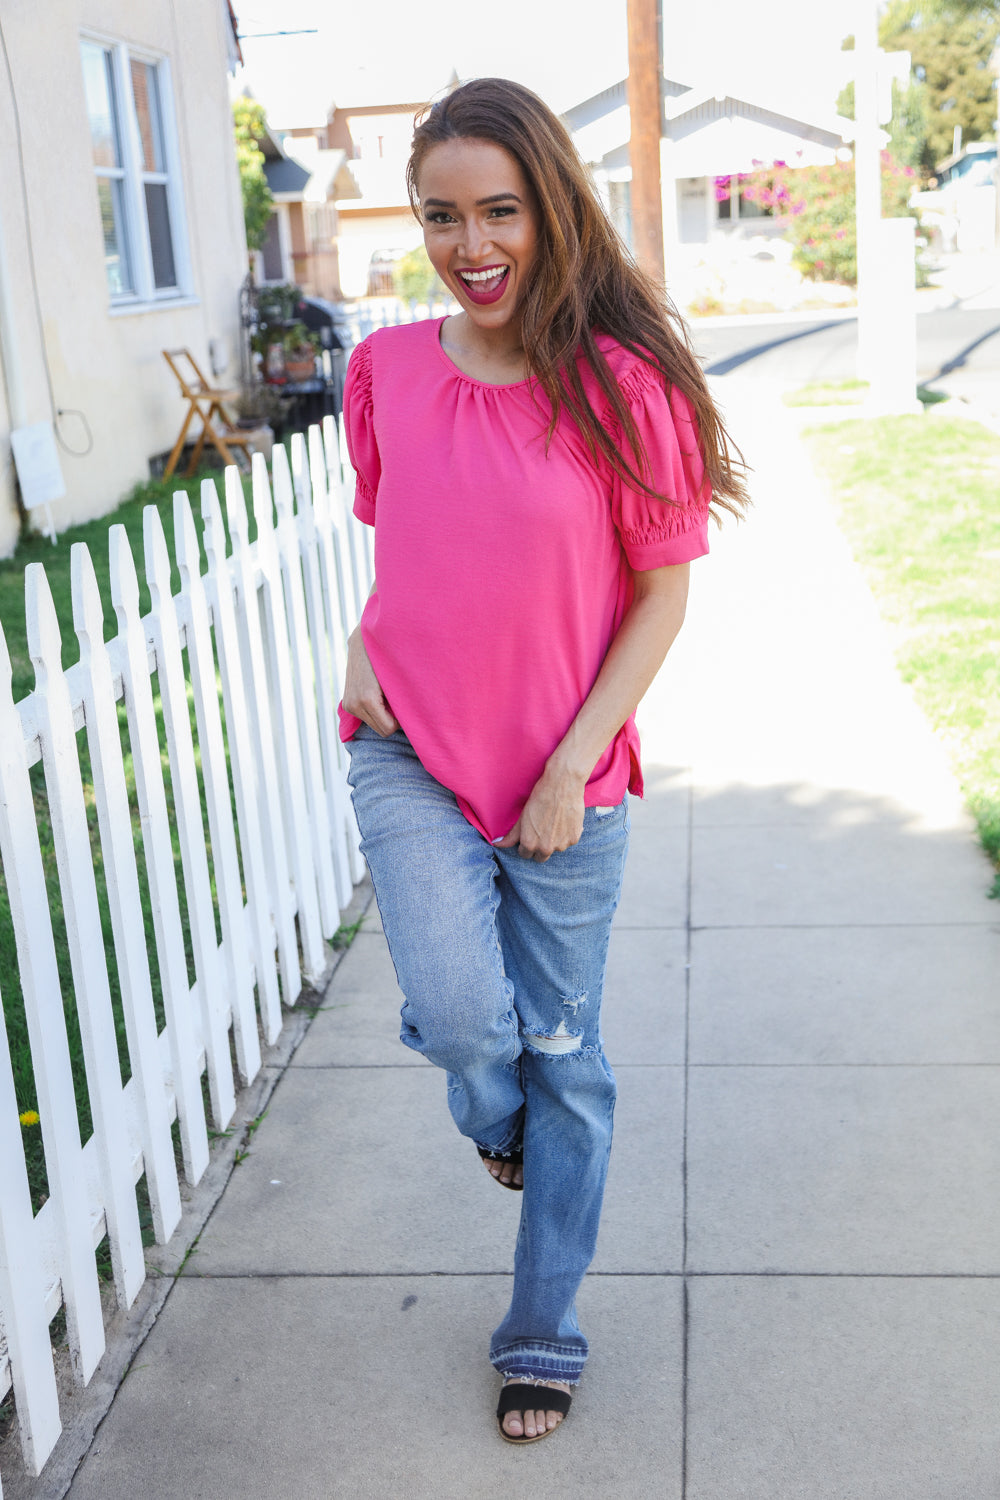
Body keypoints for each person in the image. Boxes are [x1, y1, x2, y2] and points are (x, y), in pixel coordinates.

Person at [339, 77, 748, 1444]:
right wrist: (357, 649)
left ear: (553, 209)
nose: (471, 245)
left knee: (567, 1056)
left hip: (567, 782)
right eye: (442, 215)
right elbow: (411, 548)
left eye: (500, 210)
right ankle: (495, 1111)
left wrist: (574, 763)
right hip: (409, 750)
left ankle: (541, 1335)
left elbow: (662, 597)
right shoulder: (387, 370)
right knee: (465, 1016)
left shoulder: (625, 389)